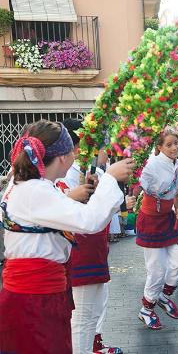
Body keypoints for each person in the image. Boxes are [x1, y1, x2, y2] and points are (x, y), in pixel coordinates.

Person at [0, 120, 133, 353]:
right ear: (63, 157)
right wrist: (111, 178)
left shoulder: (26, 184)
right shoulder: (35, 190)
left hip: (33, 293)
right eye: (72, 150)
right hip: (35, 298)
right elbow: (89, 221)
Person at [55, 118, 130, 354]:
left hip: (94, 249)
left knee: (92, 311)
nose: (101, 151)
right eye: (93, 144)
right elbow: (81, 217)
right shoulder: (60, 177)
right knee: (82, 317)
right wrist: (109, 179)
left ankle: (93, 345)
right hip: (79, 252)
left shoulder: (87, 172)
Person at [136, 127, 178, 330]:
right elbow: (138, 184)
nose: (174, 147)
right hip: (150, 220)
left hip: (168, 218)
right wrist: (130, 197)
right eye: (169, 144)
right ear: (159, 147)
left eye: (176, 143)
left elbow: (177, 192)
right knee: (156, 270)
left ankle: (163, 296)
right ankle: (146, 309)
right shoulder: (151, 166)